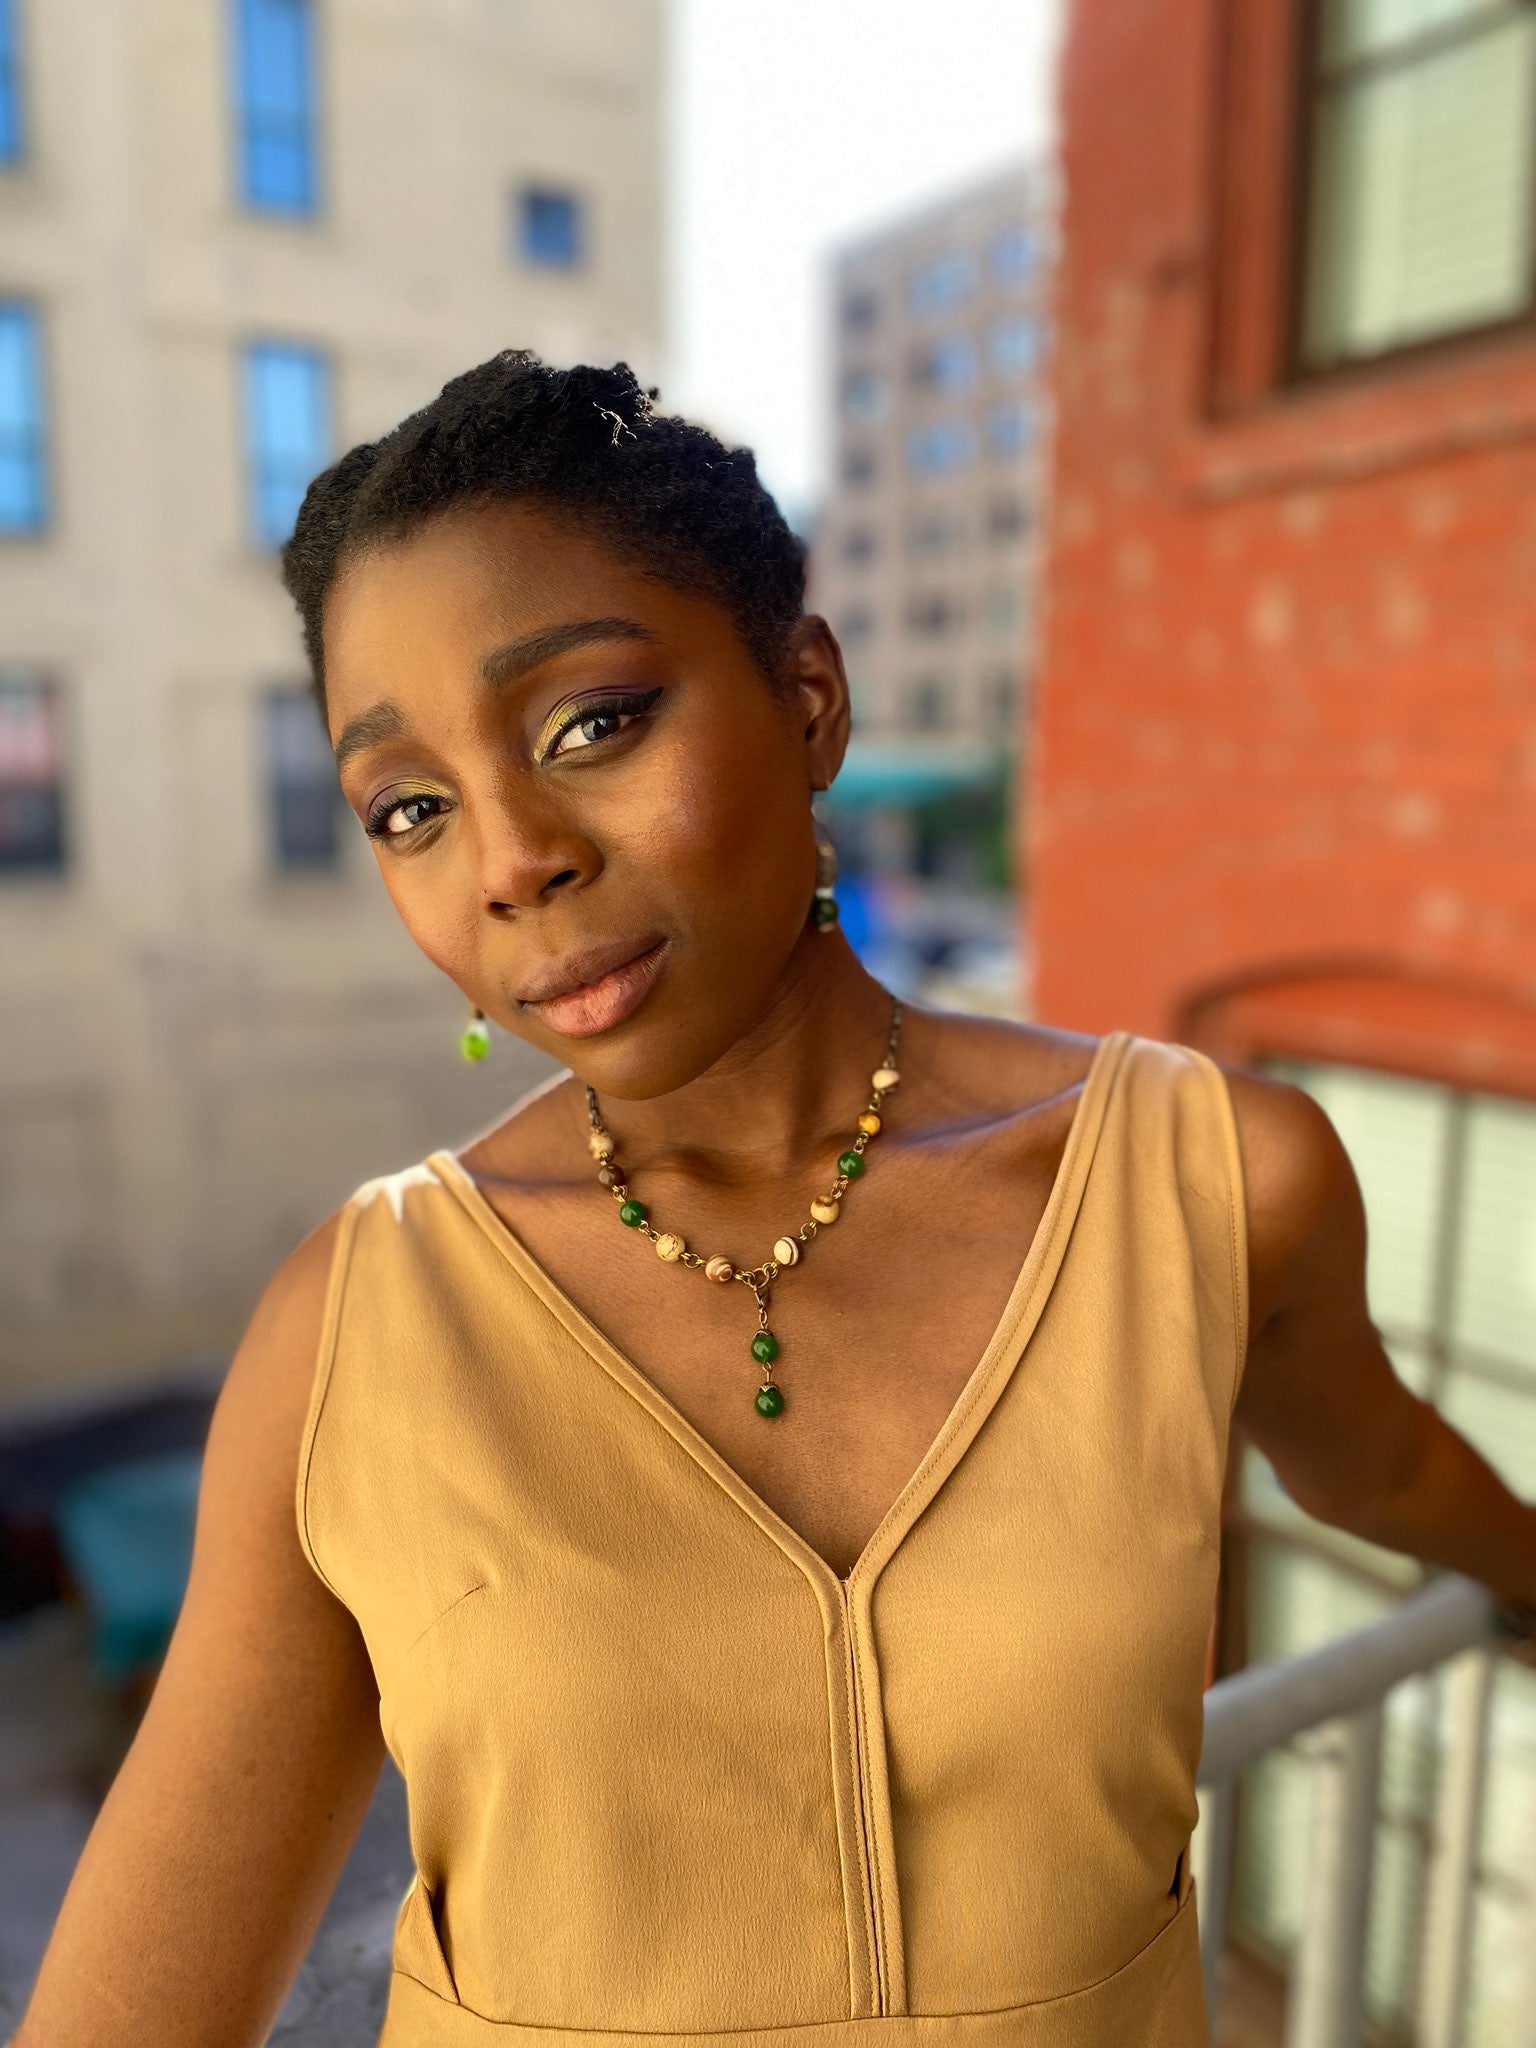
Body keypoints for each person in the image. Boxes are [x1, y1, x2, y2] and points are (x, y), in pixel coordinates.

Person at [14, 353, 1536, 2048]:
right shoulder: (353, 1330)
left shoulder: (1210, 1179)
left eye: (591, 722)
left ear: (808, 697)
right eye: (412, 807)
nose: (511, 857)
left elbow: (1375, 1455)